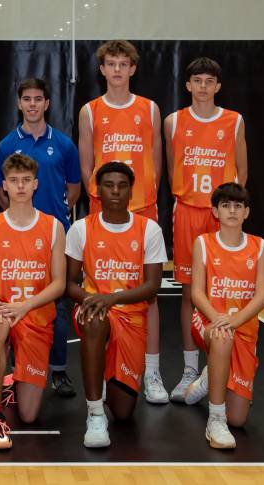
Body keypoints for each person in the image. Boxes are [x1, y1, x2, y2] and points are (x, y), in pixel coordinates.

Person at [77, 40, 168, 403]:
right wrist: (98, 199)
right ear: (102, 69)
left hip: (141, 206)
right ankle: (101, 369)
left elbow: (156, 161)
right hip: (102, 208)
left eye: (123, 63)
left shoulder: (150, 108)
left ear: (133, 68)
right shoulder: (90, 111)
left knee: (148, 292)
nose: (117, 69)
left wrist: (145, 195)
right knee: (100, 286)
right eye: (111, 63)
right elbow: (87, 165)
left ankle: (152, 371)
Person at [164, 57, 249, 401]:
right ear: (188, 85)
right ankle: (189, 370)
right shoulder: (173, 121)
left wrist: (229, 211)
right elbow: (172, 171)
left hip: (220, 213)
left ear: (218, 86)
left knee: (221, 292)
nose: (202, 86)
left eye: (209, 81)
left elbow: (242, 172)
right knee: (189, 292)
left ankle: (216, 365)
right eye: (197, 81)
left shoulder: (233, 120)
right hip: (187, 211)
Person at [65, 162, 166, 448]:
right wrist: (93, 300)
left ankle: (106, 371)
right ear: (97, 191)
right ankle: (95, 413)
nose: (116, 191)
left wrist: (112, 298)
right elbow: (69, 284)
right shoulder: (81, 229)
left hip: (131, 315)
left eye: (122, 186)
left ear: (131, 191)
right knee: (94, 320)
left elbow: (152, 286)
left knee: (123, 413)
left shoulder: (149, 229)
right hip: (93, 308)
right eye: (109, 185)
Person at [0, 78, 81, 397]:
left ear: (47, 104)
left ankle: (58, 369)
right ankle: (17, 368)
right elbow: (1, 191)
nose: (32, 104)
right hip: (18, 236)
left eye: (38, 99)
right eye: (27, 99)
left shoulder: (64, 144)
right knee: (15, 297)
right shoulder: (6, 145)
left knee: (56, 302)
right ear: (19, 104)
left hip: (53, 235)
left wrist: (51, 220)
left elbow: (74, 188)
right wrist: (20, 221)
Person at [0, 153, 66, 450]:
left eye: (26, 180)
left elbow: (59, 284)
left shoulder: (53, 226)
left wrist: (25, 306)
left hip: (35, 314)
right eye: (14, 181)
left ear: (36, 184)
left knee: (28, 415)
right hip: (3, 309)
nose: (21, 186)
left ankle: (12, 380)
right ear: (4, 185)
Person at [184, 183, 264, 449]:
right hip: (208, 321)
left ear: (246, 212)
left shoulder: (259, 246)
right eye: (226, 205)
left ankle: (210, 377)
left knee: (239, 419)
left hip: (243, 326)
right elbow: (196, 293)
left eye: (238, 206)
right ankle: (215, 421)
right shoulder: (203, 243)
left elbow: (263, 296)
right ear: (215, 211)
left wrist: (236, 320)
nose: (232, 211)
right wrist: (218, 318)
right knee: (221, 336)